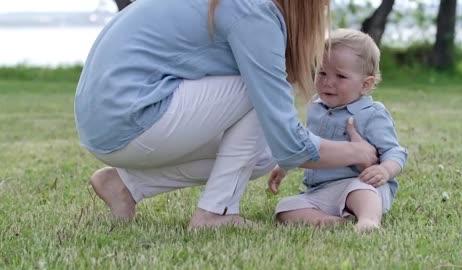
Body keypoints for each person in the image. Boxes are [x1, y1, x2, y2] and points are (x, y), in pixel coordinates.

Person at [74, 0, 379, 229]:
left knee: (260, 157)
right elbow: (289, 143)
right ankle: (215, 213)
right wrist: (356, 151)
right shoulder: (254, 10)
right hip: (129, 115)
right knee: (261, 94)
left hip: (106, 120)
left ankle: (127, 185)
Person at [268, 28, 408, 232]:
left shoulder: (371, 114)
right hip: (322, 191)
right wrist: (285, 165)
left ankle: (368, 220)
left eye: (340, 76)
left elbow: (395, 152)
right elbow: (307, 145)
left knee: (361, 191)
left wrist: (384, 170)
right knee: (285, 208)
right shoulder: (316, 108)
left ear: (365, 84)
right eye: (322, 72)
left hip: (360, 183)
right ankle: (330, 221)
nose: (327, 81)